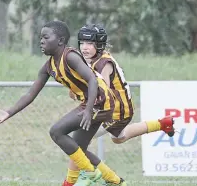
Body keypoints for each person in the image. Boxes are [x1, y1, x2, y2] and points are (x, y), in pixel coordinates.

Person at [0, 20, 123, 186]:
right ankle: (116, 182)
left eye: (46, 37)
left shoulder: (70, 56)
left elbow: (92, 80)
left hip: (100, 102)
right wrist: (8, 112)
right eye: (40, 37)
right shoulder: (48, 66)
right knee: (78, 149)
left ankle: (91, 174)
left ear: (60, 41)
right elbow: (31, 94)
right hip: (93, 104)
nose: (41, 41)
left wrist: (88, 111)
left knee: (56, 131)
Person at [62, 24, 175, 186]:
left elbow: (102, 95)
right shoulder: (88, 61)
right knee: (119, 138)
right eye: (82, 43)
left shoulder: (103, 64)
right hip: (118, 108)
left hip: (116, 110)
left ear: (99, 45)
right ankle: (163, 124)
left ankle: (71, 182)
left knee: (77, 144)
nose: (85, 47)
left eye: (90, 43)